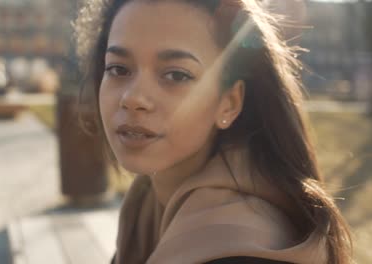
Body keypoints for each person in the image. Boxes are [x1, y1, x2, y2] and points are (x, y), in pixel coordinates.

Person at [74, 0, 352, 263]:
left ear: (228, 103)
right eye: (118, 69)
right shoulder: (145, 204)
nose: (132, 98)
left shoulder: (242, 247)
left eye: (176, 75)